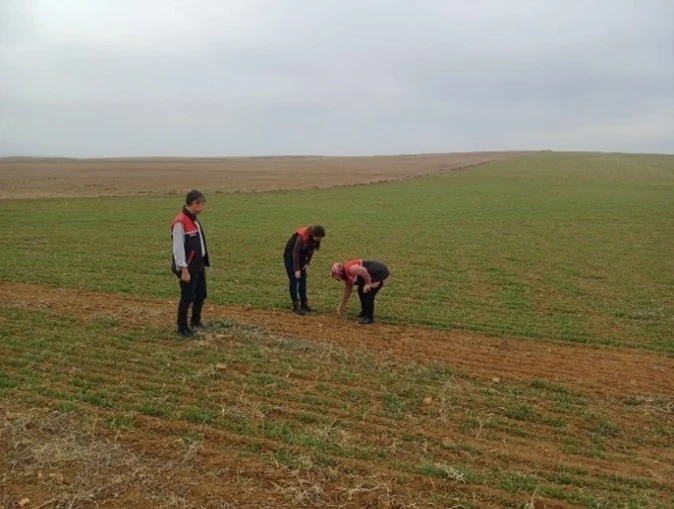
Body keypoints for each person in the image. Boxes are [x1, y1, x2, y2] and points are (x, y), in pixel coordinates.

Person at [171, 190, 209, 338]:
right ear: (194, 204)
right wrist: (184, 270)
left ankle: (195, 321)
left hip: (198, 264)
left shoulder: (193, 219)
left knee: (201, 294)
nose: (203, 208)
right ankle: (182, 327)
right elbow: (178, 248)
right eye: (202, 205)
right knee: (187, 297)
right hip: (188, 267)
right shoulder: (180, 222)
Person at [331, 259, 390, 324]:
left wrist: (368, 283)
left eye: (335, 274)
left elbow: (363, 270)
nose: (335, 278)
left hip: (379, 273)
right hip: (372, 274)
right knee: (361, 291)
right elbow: (347, 293)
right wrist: (341, 306)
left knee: (368, 293)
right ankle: (364, 312)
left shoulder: (350, 269)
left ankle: (369, 318)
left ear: (339, 272)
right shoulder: (347, 278)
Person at [283, 225, 326, 315]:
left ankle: (304, 304)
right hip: (290, 256)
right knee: (294, 280)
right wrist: (296, 269)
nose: (319, 240)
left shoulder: (314, 239)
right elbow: (295, 252)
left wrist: (307, 262)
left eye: (320, 238)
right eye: (318, 238)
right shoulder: (301, 238)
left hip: (301, 256)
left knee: (303, 279)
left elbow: (311, 249)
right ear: (313, 234)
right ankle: (296, 306)